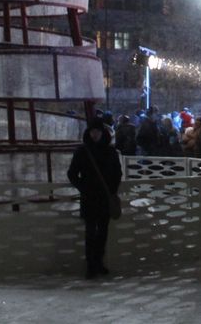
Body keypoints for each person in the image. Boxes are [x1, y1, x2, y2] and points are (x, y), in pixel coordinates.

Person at [67, 117, 123, 279]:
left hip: (102, 197)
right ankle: (92, 265)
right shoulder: (83, 151)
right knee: (91, 233)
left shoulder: (108, 151)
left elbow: (117, 173)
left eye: (97, 131)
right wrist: (84, 188)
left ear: (102, 132)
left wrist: (111, 189)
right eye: (92, 131)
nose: (95, 134)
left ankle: (98, 263)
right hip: (91, 197)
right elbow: (72, 174)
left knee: (101, 232)